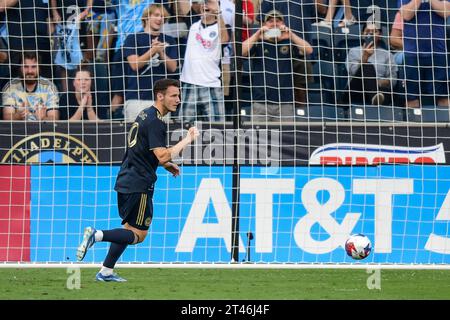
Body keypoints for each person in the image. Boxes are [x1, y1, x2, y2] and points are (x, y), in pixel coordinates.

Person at [76, 78, 199, 282]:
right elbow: (162, 155)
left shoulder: (146, 115)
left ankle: (106, 271)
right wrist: (187, 139)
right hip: (139, 184)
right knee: (138, 235)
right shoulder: (156, 122)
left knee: (127, 230)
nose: (178, 99)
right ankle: (96, 235)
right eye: (173, 95)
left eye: (179, 95)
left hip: (127, 180)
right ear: (160, 96)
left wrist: (167, 167)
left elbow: (145, 153)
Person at [242, 9, 313, 121]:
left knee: (287, 137)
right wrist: (257, 35)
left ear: (283, 24)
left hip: (285, 103)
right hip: (261, 103)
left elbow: (309, 50)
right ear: (264, 24)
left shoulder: (288, 42)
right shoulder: (258, 42)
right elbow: (240, 51)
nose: (274, 23)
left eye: (278, 21)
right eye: (270, 21)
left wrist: (291, 36)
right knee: (257, 138)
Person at [122, 3, 178, 122]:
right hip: (136, 99)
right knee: (135, 138)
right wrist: (153, 50)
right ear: (147, 17)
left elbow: (173, 67)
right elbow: (135, 65)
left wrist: (161, 53)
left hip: (161, 100)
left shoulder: (169, 40)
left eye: (163, 16)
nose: (160, 19)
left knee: (159, 139)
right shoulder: (132, 38)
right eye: (157, 15)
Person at [179, 0, 229, 122]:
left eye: (209, 3)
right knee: (183, 129)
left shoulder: (222, 26)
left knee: (218, 129)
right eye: (204, 2)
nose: (205, 5)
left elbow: (224, 39)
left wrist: (218, 11)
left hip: (211, 84)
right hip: (189, 83)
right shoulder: (193, 23)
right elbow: (182, 3)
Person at [399, 0, 450, 108]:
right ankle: (412, 123)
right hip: (413, 53)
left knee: (443, 97)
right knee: (411, 98)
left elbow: (445, 12)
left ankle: (445, 123)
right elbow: (406, 15)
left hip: (438, 52)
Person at [342, 22, 398, 106]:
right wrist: (365, 56)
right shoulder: (353, 51)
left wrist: (377, 82)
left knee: (387, 93)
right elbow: (353, 72)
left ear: (380, 35)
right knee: (368, 65)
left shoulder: (387, 54)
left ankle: (376, 97)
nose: (370, 34)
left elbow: (393, 80)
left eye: (374, 31)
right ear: (362, 34)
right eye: (367, 31)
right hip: (357, 90)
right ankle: (375, 97)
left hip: (380, 90)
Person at [2, 51, 60, 121]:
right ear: (20, 68)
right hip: (18, 130)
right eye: (26, 67)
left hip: (43, 131)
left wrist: (42, 118)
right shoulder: (10, 87)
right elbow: (6, 117)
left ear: (39, 68)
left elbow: (55, 118)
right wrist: (18, 116)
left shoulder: (49, 87)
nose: (30, 71)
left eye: (33, 67)